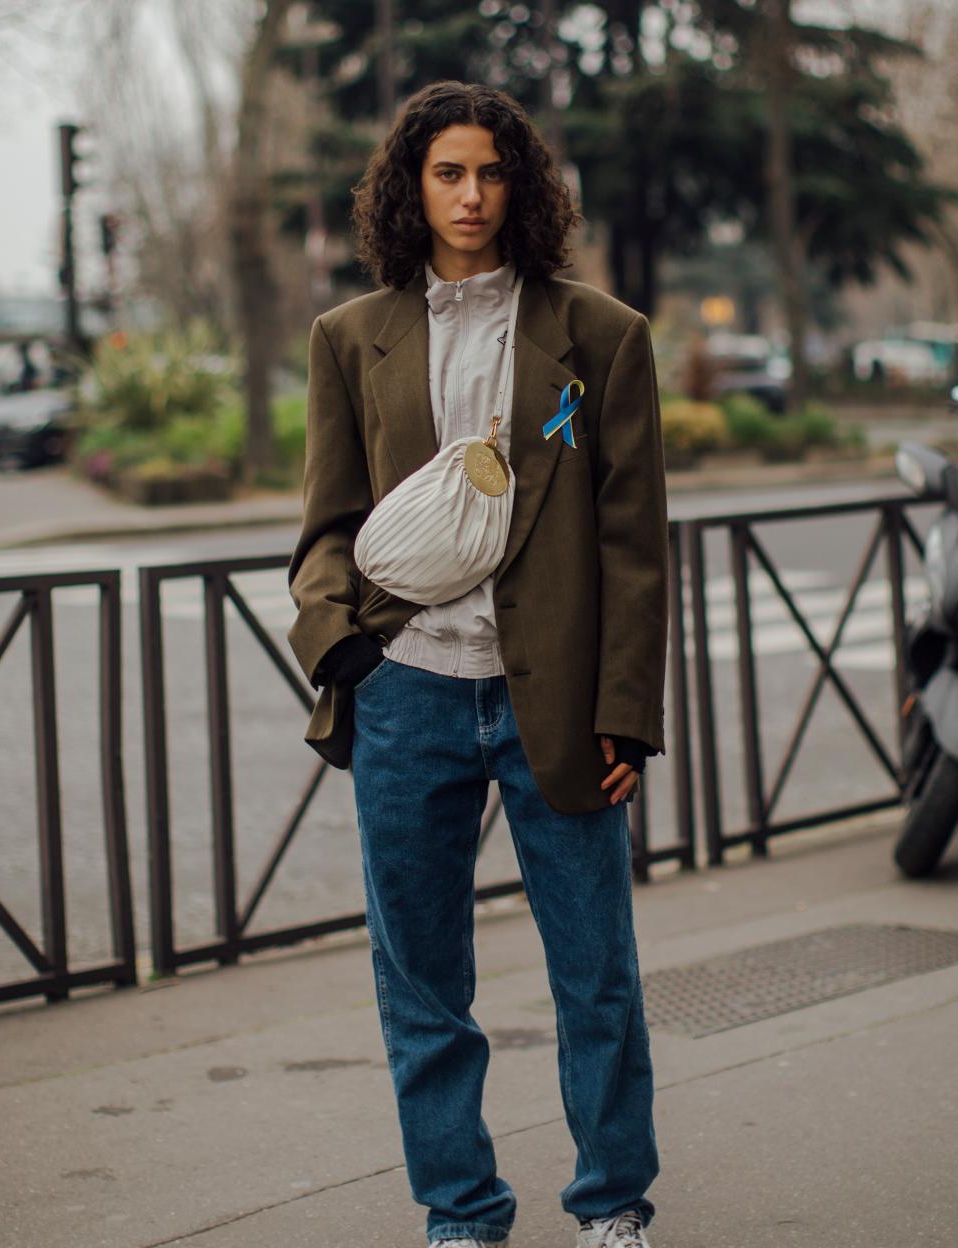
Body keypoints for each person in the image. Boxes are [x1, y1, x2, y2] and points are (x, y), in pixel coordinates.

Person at [286, 80, 668, 1248]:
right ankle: (461, 1214)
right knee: (420, 986)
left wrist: (627, 717)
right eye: (446, 173)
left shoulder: (600, 335)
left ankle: (611, 1207)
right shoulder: (352, 339)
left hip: (552, 702)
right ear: (411, 187)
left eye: (491, 172)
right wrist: (337, 641)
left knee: (595, 976)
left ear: (524, 187)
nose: (469, 195)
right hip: (407, 698)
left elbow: (634, 545)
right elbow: (324, 529)